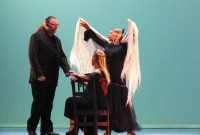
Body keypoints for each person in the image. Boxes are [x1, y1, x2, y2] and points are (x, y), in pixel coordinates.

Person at [72, 18, 141, 135]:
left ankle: (130, 130)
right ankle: (108, 129)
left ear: (117, 35)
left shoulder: (123, 47)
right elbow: (98, 38)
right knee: (110, 106)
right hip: (109, 79)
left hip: (119, 80)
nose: (108, 35)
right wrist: (88, 28)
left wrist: (131, 27)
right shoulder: (107, 45)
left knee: (123, 106)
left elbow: (132, 38)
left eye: (111, 33)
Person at [27, 16, 72, 135]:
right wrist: (39, 73)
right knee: (39, 104)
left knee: (48, 105)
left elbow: (61, 56)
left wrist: (67, 69)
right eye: (53, 25)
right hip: (39, 78)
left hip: (52, 78)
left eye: (57, 25)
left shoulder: (57, 40)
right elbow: (33, 56)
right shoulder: (36, 37)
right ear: (47, 25)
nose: (56, 27)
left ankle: (46, 130)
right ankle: (31, 129)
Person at [64, 49, 111, 135]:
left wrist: (77, 75)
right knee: (79, 104)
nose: (91, 59)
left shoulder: (98, 71)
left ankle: (74, 128)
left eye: (92, 57)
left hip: (95, 102)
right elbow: (95, 83)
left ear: (95, 59)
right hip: (101, 102)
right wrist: (85, 82)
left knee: (70, 101)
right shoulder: (104, 72)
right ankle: (86, 129)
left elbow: (90, 76)